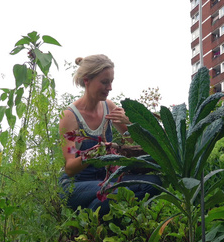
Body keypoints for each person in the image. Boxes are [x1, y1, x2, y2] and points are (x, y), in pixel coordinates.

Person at [58, 54, 161, 216]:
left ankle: (98, 210)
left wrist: (129, 123)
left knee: (155, 184)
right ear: (87, 80)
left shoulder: (109, 107)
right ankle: (91, 216)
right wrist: (95, 152)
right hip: (77, 184)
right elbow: (70, 167)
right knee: (117, 192)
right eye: (105, 82)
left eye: (111, 81)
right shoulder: (70, 117)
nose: (110, 87)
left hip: (106, 178)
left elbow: (132, 141)